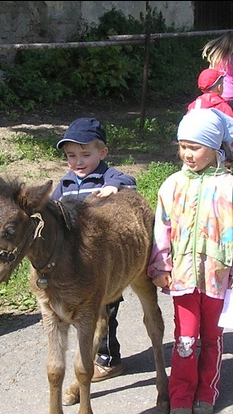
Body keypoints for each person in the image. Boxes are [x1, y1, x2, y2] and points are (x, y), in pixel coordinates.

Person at [147, 108, 233, 414]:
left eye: (195, 147)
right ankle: (180, 395)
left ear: (215, 148)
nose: (187, 154)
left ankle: (206, 392)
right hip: (181, 278)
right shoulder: (171, 186)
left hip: (217, 279)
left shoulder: (230, 188)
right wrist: (160, 267)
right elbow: (161, 230)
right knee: (184, 339)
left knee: (211, 338)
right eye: (183, 146)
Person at [53, 117, 137, 382]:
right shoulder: (65, 185)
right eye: (71, 155)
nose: (78, 162)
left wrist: (114, 187)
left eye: (85, 154)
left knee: (107, 312)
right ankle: (85, 355)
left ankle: (109, 358)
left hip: (105, 263)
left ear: (102, 153)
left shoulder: (108, 177)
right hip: (76, 265)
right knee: (84, 314)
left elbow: (129, 181)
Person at [187, 68, 233, 172]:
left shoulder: (194, 105)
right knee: (226, 143)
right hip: (215, 145)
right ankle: (224, 165)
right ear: (219, 87)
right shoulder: (223, 106)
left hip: (194, 141)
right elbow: (231, 131)